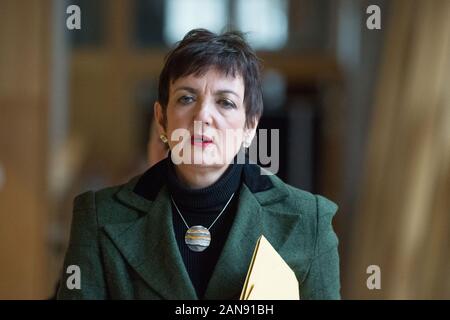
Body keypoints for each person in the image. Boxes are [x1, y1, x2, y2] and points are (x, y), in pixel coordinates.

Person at [57, 29, 340, 300]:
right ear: (161, 119)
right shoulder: (98, 217)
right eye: (187, 98)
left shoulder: (309, 221)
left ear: (250, 126)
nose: (203, 115)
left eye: (225, 102)